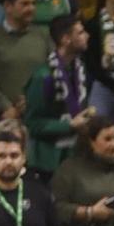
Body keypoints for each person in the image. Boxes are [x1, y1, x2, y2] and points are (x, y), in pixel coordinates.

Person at [21, 13, 96, 177]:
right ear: (66, 39)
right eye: (81, 32)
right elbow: (32, 123)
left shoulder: (80, 70)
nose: (87, 36)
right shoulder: (43, 76)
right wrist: (69, 125)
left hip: (77, 156)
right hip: (48, 162)